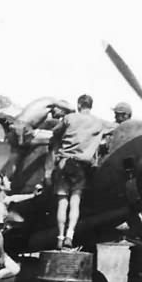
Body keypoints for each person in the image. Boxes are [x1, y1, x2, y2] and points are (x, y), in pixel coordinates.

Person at [50, 94, 106, 248]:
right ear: (91, 106)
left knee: (62, 202)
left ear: (79, 105)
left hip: (64, 163)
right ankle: (70, 235)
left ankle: (60, 237)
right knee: (75, 202)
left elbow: (55, 133)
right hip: (81, 166)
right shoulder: (99, 123)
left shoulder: (69, 118)